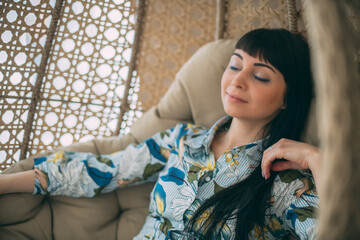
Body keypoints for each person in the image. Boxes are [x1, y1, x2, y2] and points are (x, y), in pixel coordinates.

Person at [0, 28, 321, 240]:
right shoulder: (182, 140)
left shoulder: (287, 181)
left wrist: (318, 161)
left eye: (261, 76)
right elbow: (97, 171)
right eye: (235, 65)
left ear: (288, 99)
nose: (237, 81)